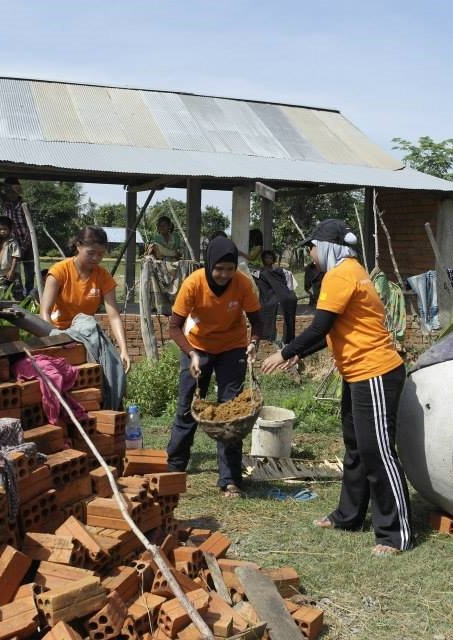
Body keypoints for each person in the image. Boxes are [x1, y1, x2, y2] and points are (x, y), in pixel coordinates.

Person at [261, 219, 411, 556]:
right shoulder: (352, 270)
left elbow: (318, 327)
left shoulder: (341, 275)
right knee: (357, 447)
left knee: (378, 452)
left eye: (312, 247)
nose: (311, 255)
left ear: (328, 247)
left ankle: (394, 533)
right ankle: (348, 516)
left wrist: (285, 352)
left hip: (374, 372)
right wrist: (294, 355)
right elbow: (330, 332)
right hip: (359, 373)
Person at [166, 237, 264, 498]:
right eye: (218, 268)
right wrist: (192, 354)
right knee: (187, 408)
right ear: (209, 265)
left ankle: (230, 479)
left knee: (231, 414)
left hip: (232, 349)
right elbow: (174, 327)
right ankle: (174, 468)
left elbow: (257, 321)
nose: (223, 275)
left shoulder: (242, 284)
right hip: (196, 347)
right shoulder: (193, 284)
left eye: (229, 269)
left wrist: (254, 342)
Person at [40, 226, 130, 371]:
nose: (95, 258)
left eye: (101, 254)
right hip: (58, 336)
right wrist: (56, 340)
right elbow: (44, 313)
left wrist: (124, 349)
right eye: (91, 253)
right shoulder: (59, 271)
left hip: (86, 337)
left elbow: (114, 316)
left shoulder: (103, 276)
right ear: (78, 246)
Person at [254, 249, 298, 346]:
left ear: (273, 259)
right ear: (263, 259)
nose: (268, 259)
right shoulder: (260, 272)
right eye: (266, 258)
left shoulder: (278, 271)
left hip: (280, 293)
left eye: (270, 257)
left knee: (290, 300)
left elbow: (285, 284)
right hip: (268, 296)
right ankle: (271, 336)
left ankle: (287, 340)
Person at [1, 177, 36, 294]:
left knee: (30, 272)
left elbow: (29, 227)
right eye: (7, 191)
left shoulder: (24, 205)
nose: (9, 194)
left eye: (11, 191)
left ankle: (28, 294)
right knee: (15, 271)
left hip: (27, 242)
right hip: (13, 243)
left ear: (16, 192)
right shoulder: (6, 205)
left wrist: (25, 245)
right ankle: (19, 293)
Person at [0, 216, 22, 299]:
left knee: (17, 292)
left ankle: (20, 307)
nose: (2, 232)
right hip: (2, 273)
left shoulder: (13, 242)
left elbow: (16, 257)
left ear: (10, 230)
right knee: (4, 292)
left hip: (13, 273)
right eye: (0, 229)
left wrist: (12, 271)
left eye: (5, 229)